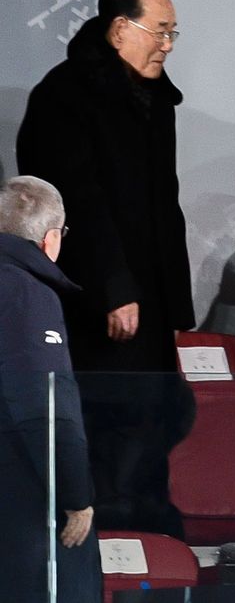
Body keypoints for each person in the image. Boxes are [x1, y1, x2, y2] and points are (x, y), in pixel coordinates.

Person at [17, 0, 196, 535]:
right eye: (159, 31)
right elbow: (79, 205)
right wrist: (114, 288)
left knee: (152, 418)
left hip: (150, 296)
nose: (167, 44)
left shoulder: (154, 97)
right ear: (121, 29)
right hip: (97, 299)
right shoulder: (64, 96)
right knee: (110, 418)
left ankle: (151, 539)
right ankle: (104, 540)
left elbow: (163, 203)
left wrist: (173, 300)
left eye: (173, 33)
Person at [0, 176, 102, 603]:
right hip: (24, 502)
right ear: (51, 238)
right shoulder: (27, 292)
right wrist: (77, 496)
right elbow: (45, 407)